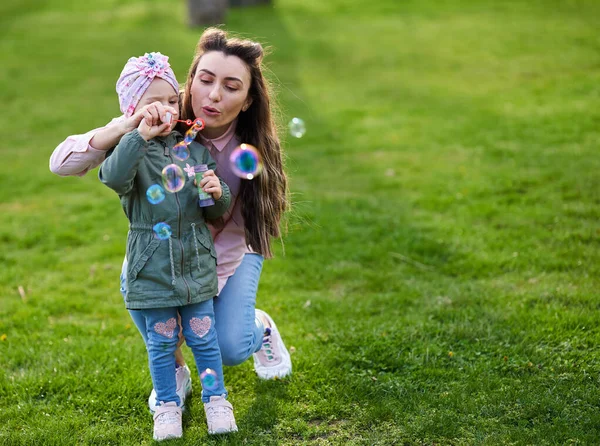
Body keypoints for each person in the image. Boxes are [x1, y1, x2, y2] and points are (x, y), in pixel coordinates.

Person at [50, 27, 292, 413]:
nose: (213, 95)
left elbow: (237, 234)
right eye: (205, 79)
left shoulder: (252, 147)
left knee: (227, 344)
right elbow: (60, 163)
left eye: (231, 86)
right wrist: (126, 127)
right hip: (166, 250)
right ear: (190, 80)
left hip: (229, 253)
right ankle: (176, 370)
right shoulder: (158, 121)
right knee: (141, 288)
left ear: (248, 100)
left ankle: (256, 325)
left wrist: (198, 289)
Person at [101, 51, 239, 441]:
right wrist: (137, 134)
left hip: (194, 259)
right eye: (151, 103)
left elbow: (213, 210)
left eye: (171, 100)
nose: (165, 109)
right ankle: (166, 404)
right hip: (152, 265)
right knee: (161, 342)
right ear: (133, 110)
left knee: (203, 336)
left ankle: (217, 399)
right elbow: (111, 179)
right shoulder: (129, 152)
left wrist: (217, 192)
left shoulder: (192, 148)